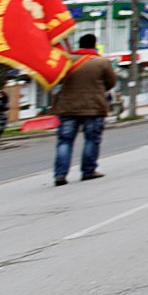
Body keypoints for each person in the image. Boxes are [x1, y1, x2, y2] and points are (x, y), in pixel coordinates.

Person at [52, 34, 117, 186]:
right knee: (91, 139)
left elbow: (57, 80)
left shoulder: (66, 61)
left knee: (65, 141)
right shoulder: (102, 62)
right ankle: (88, 171)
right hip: (93, 107)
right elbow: (111, 83)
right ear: (94, 45)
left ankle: (60, 174)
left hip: (68, 107)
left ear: (79, 44)